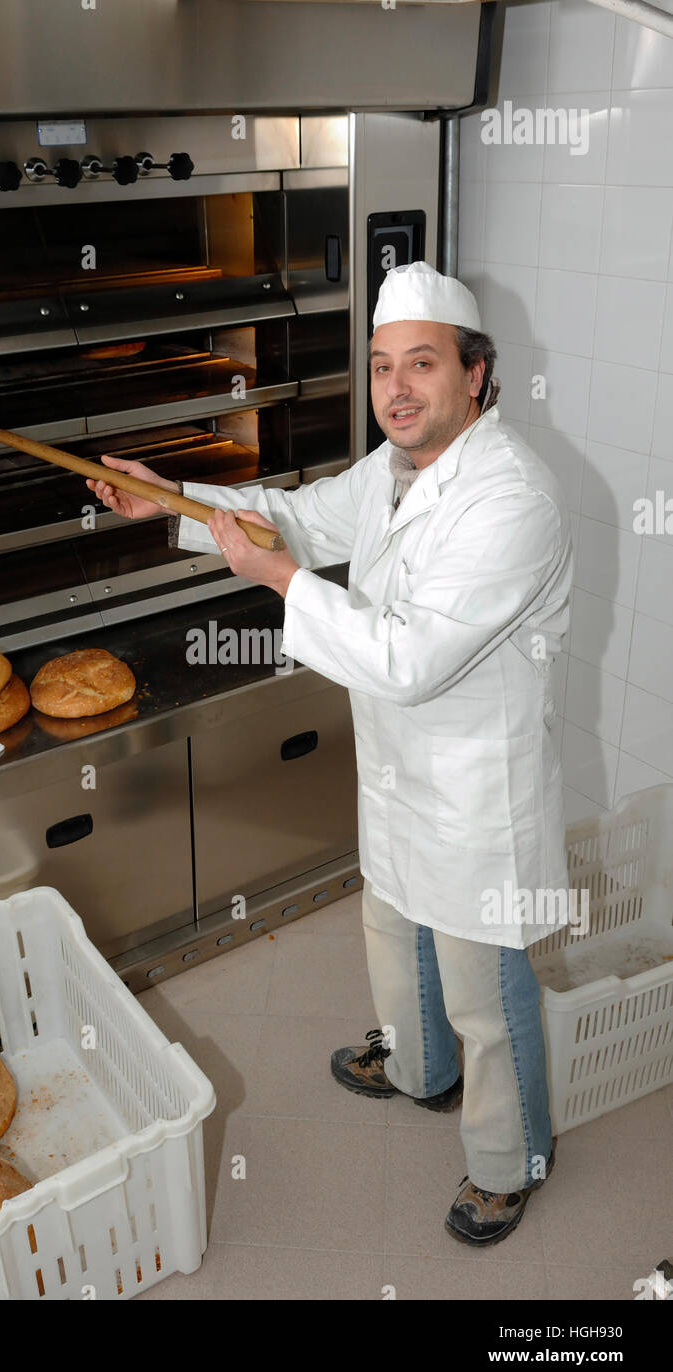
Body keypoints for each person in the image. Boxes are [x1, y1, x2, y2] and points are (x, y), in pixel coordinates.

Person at [86, 261, 574, 1247]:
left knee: (483, 987)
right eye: (381, 365)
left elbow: (403, 658)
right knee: (394, 932)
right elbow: (298, 517)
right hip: (401, 772)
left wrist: (275, 581)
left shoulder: (509, 497)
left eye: (421, 364)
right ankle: (413, 1068)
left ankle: (505, 1160)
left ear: (474, 375)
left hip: (477, 787)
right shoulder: (396, 471)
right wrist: (171, 496)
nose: (394, 388)